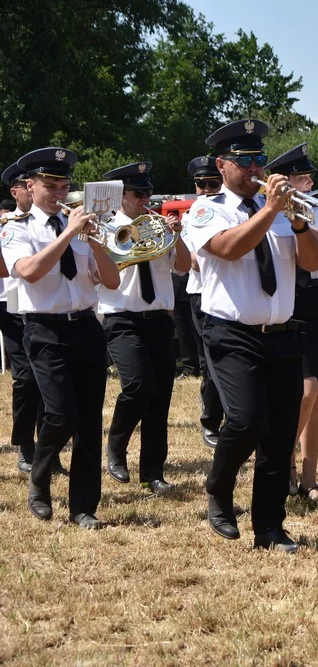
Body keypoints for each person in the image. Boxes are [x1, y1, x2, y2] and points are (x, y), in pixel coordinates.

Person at [187, 119, 318, 552]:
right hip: (231, 332)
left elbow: (314, 263)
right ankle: (218, 487)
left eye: (259, 160)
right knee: (246, 421)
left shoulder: (281, 210)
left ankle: (269, 526)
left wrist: (298, 222)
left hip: (283, 332)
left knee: (280, 434)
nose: (254, 168)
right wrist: (269, 211)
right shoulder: (207, 209)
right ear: (223, 165)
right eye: (244, 162)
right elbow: (229, 248)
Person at [1, 147, 122, 528]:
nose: (58, 193)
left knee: (88, 420)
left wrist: (96, 240)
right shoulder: (17, 228)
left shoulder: (82, 229)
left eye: (64, 186)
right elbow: (31, 272)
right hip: (44, 328)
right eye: (50, 185)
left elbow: (112, 280)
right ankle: (40, 473)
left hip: (86, 326)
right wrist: (69, 233)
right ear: (29, 186)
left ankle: (83, 507)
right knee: (61, 413)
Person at [98, 161, 189, 495]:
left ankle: (153, 471)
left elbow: (183, 266)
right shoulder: (106, 228)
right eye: (139, 192)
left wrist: (176, 237)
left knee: (160, 397)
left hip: (159, 320)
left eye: (148, 191)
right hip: (123, 317)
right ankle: (116, 446)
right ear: (122, 195)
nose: (145, 198)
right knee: (138, 387)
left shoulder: (158, 225)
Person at [264, 143, 318, 501]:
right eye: (301, 177)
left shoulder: (315, 207)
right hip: (287, 298)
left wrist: (304, 226)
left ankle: (310, 477)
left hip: (315, 299)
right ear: (285, 181)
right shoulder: (270, 211)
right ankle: (284, 461)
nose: (308, 182)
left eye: (308, 177)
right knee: (304, 391)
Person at [0, 163, 43, 475]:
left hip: (44, 306)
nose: (30, 190)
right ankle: (27, 446)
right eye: (23, 186)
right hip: (13, 301)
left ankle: (47, 449)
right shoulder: (9, 224)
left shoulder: (52, 222)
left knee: (46, 381)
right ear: (15, 191)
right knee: (26, 377)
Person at [181, 156, 225, 447]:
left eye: (213, 183)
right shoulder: (192, 215)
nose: (208, 189)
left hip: (227, 291)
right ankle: (210, 421)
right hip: (202, 293)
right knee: (212, 362)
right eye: (202, 184)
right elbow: (194, 263)